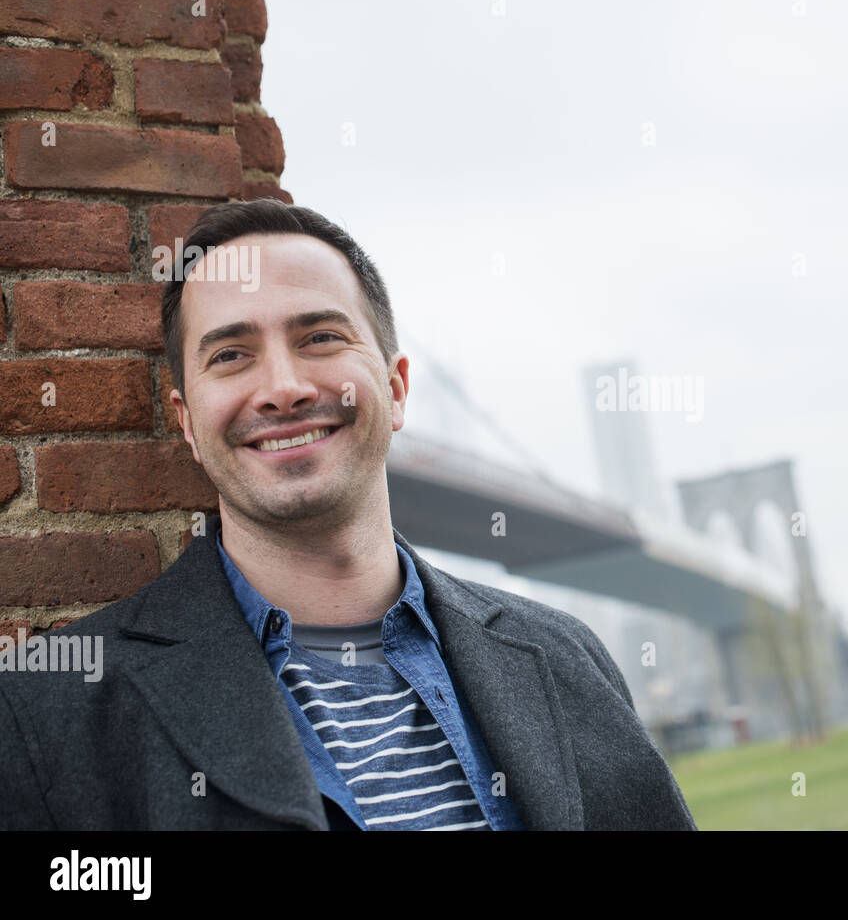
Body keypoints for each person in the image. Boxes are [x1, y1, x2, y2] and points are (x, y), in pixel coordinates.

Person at [0, 199, 697, 831]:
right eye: (232, 354)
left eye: (321, 338)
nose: (283, 387)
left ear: (395, 389)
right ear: (186, 423)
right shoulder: (44, 711)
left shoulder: (567, 656)